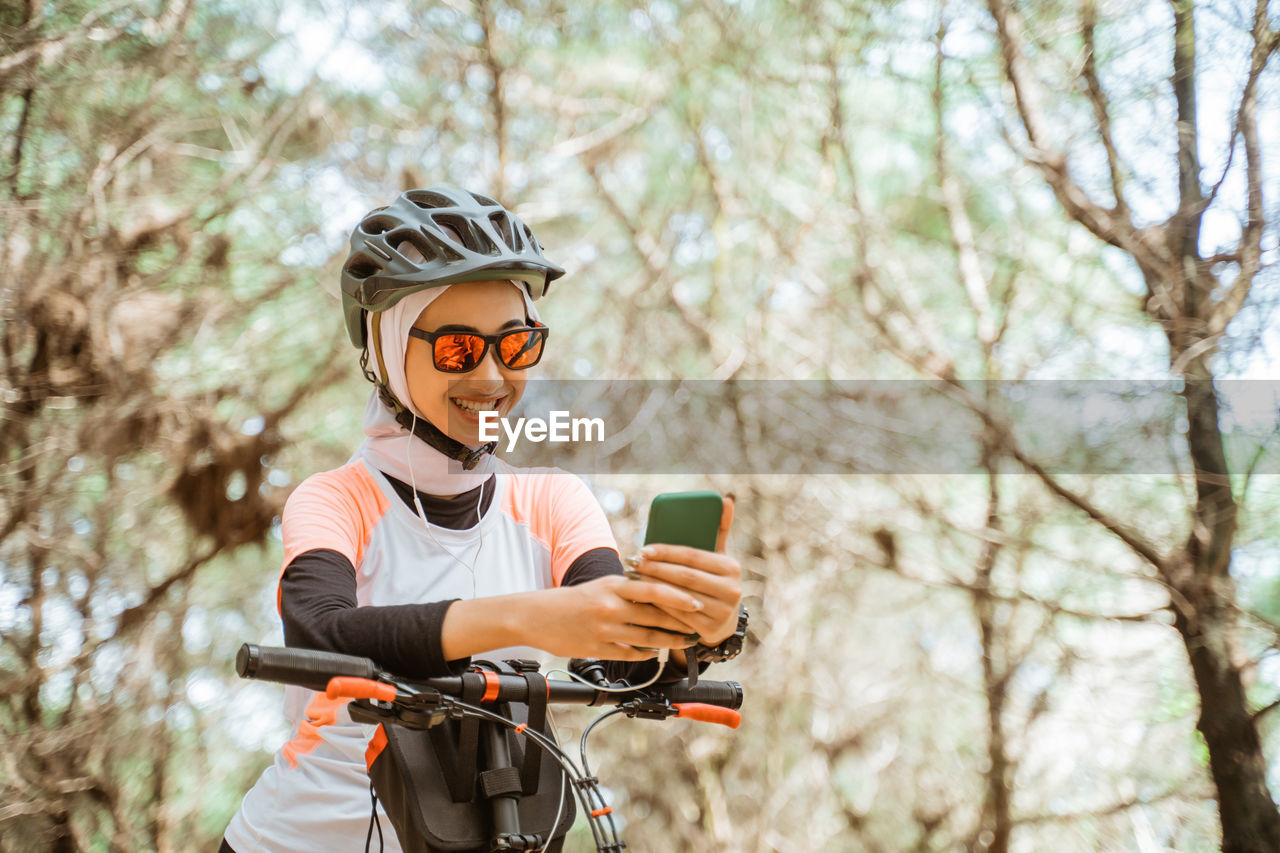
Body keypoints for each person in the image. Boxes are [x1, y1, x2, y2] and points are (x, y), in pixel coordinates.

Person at [220, 186, 744, 852]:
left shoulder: (554, 501)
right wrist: (522, 616)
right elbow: (321, 632)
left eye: (517, 345)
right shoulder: (334, 498)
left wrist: (698, 630)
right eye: (460, 350)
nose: (494, 376)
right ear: (386, 350)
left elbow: (614, 660)